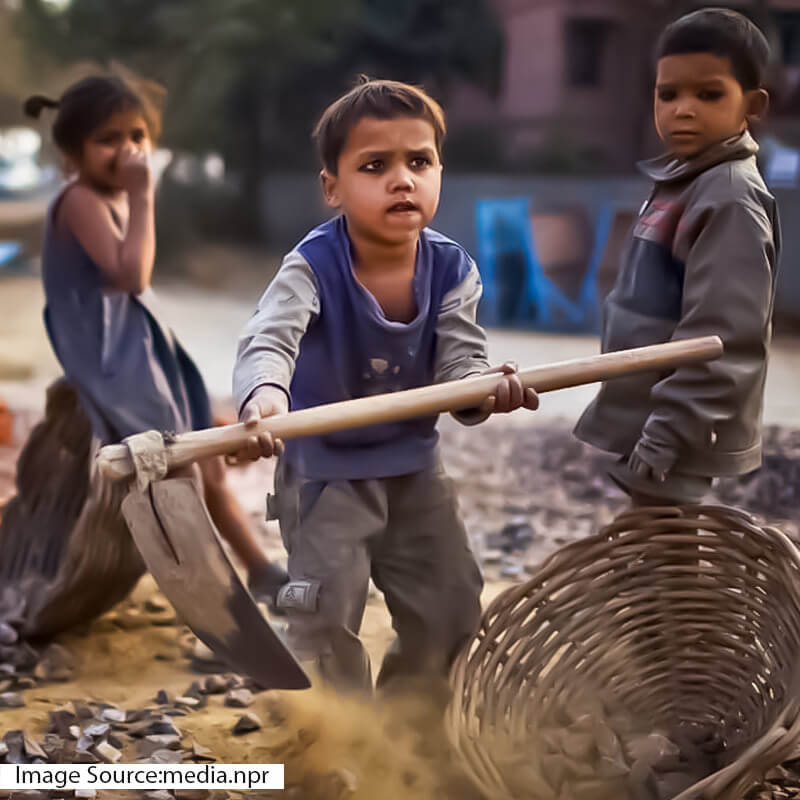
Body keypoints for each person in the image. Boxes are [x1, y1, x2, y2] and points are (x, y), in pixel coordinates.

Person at [233, 78, 539, 691]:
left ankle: (411, 729)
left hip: (415, 472)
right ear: (332, 188)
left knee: (450, 602)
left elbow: (461, 364)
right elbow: (270, 337)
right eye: (376, 166)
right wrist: (265, 393)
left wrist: (484, 387)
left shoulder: (453, 269)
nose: (403, 179)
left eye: (419, 162)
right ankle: (336, 739)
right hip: (324, 476)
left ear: (439, 171)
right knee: (321, 610)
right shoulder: (312, 266)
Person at [25, 75, 287, 600]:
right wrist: (144, 196)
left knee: (203, 457)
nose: (128, 151)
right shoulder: (80, 200)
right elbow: (131, 275)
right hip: (111, 362)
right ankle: (217, 581)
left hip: (139, 351)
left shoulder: (109, 196)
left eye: (137, 136)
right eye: (109, 139)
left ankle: (256, 566)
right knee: (178, 465)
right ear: (73, 153)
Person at [574, 8, 780, 506]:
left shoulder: (728, 198)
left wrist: (669, 431)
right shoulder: (681, 181)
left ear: (752, 104)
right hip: (650, 418)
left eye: (708, 94)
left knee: (667, 562)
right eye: (668, 94)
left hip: (680, 430)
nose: (682, 109)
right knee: (647, 557)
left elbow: (722, 338)